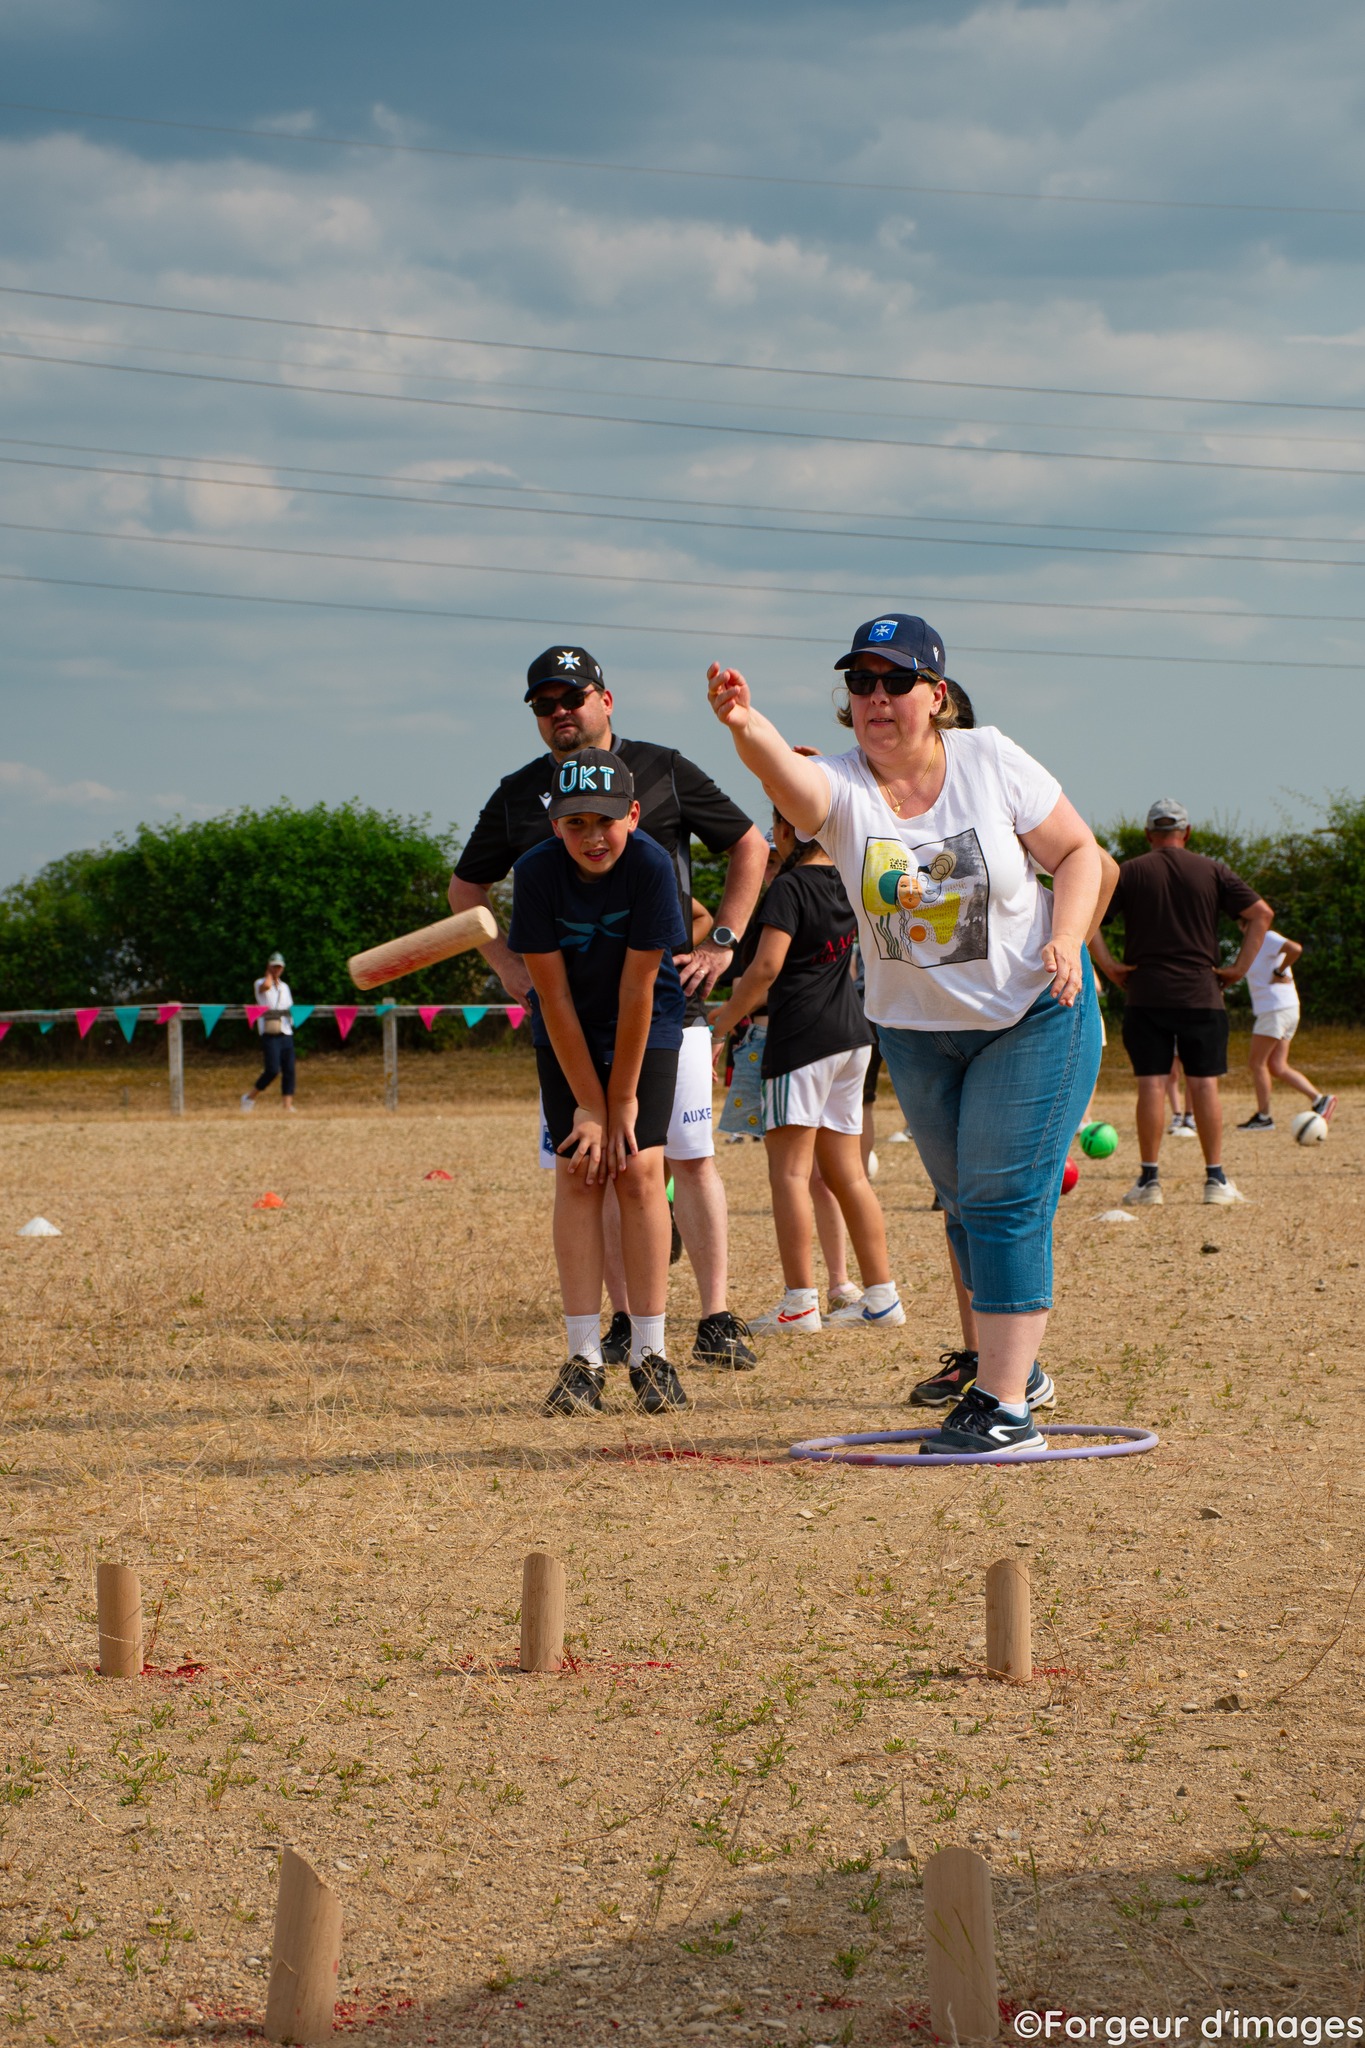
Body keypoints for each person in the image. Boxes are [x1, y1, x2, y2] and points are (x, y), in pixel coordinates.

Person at [705, 612, 1109, 1457]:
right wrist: (747, 727)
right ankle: (1013, 1371)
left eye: (895, 682)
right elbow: (789, 781)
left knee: (1000, 1201)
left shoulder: (989, 759)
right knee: (964, 1207)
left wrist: (1066, 937)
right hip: (918, 1033)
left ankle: (1002, 1410)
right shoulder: (844, 792)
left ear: (936, 694)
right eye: (860, 683)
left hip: (1031, 1013)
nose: (877, 698)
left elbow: (1079, 855)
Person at [449, 646, 769, 1371]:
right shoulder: (517, 795)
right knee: (598, 1167)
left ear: (606, 699)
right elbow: (465, 892)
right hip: (568, 1021)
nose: (561, 711)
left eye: (574, 696)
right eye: (544, 702)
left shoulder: (662, 768)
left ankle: (714, 1315)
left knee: (685, 1159)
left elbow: (749, 845)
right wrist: (507, 966)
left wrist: (722, 941)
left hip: (665, 1006)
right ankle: (624, 1325)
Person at [508, 749, 689, 1416]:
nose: (591, 837)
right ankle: (583, 1358)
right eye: (574, 822)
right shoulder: (533, 874)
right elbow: (550, 998)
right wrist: (587, 1101)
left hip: (646, 1026)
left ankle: (650, 1353)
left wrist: (620, 1103)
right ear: (554, 824)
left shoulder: (648, 865)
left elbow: (640, 988)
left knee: (639, 1170)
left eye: (605, 822)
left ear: (633, 816)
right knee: (579, 1172)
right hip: (566, 1030)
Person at [705, 806, 903, 1335]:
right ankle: (882, 1298)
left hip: (801, 1042)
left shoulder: (789, 888)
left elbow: (765, 969)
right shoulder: (848, 879)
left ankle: (799, 1303)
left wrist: (722, 1024)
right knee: (848, 1174)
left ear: (788, 831)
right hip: (852, 1039)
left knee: (790, 1174)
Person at [1090, 799, 1274, 1206]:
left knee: (1152, 1084)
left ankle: (1149, 1182)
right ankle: (1216, 1180)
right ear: (1187, 833)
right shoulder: (1212, 870)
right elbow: (1261, 914)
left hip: (1146, 992)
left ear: (1147, 835)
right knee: (1203, 1084)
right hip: (1202, 992)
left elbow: (1088, 916)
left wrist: (1110, 966)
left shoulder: (1131, 872)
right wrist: (1239, 969)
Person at [1237, 930, 1337, 1131]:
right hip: (1284, 1007)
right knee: (1277, 1066)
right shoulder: (1251, 944)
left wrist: (1280, 971)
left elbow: (1295, 949)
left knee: (1257, 1063)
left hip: (1274, 1008)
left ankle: (1264, 1117)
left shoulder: (1267, 936)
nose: (1242, 926)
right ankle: (1320, 1100)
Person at [240, 952, 296, 1113]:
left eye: (279, 967)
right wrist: (269, 975)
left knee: (289, 1069)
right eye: (274, 966)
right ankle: (250, 1097)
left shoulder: (285, 987)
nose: (277, 969)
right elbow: (265, 988)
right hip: (269, 1032)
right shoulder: (260, 983)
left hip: (285, 1031)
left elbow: (289, 1007)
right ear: (269, 966)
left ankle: (287, 1104)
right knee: (272, 1069)